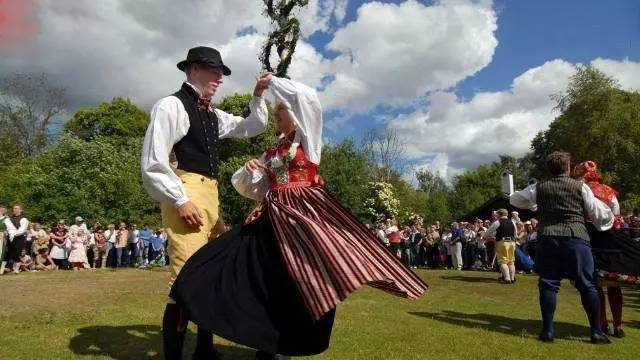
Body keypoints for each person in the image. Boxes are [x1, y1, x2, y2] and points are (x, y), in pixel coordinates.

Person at [170, 76, 427, 359]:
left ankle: (281, 343)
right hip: (271, 215)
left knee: (299, 280)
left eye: (281, 111)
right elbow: (253, 189)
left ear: (294, 113)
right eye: (277, 112)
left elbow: (308, 100)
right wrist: (250, 170)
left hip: (304, 217)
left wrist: (272, 83)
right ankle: (243, 331)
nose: (277, 117)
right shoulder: (273, 151)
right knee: (251, 273)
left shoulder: (309, 141)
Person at [140, 46, 271, 359]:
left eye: (221, 73)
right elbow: (154, 162)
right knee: (185, 278)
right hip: (186, 191)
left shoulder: (214, 115)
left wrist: (257, 94)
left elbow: (253, 126)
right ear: (193, 69)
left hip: (211, 196)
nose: (219, 79)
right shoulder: (171, 105)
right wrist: (180, 200)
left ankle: (203, 349)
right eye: (215, 71)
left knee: (212, 273)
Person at [510, 151, 614, 344]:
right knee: (586, 284)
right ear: (568, 167)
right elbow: (598, 212)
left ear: (549, 169)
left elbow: (515, 199)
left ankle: (548, 331)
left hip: (548, 238)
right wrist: (606, 224)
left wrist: (534, 204)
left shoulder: (539, 187)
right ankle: (596, 332)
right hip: (576, 238)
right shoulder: (580, 186)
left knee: (548, 283)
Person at [573, 160, 640, 338]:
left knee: (595, 284)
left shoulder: (579, 190)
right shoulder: (608, 191)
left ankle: (602, 323)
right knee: (614, 284)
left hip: (590, 238)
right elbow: (616, 214)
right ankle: (618, 325)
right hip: (611, 239)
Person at [483, 209, 517, 283]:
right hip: (512, 243)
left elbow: (488, 232)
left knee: (503, 262)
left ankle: (507, 278)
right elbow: (515, 234)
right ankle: (512, 278)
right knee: (511, 261)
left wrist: (484, 236)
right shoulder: (513, 222)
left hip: (502, 243)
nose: (496, 216)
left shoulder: (497, 222)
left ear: (500, 214)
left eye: (497, 214)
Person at [7, 204, 29, 274]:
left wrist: (13, 234)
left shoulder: (23, 219)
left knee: (17, 253)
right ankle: (11, 268)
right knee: (10, 253)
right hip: (9, 238)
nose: (15, 210)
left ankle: (16, 269)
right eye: (14, 208)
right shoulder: (9, 218)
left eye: (16, 208)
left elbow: (22, 230)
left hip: (19, 239)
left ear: (21, 210)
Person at [0, 206, 17, 275]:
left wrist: (8, 235)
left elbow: (12, 229)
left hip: (1, 238)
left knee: (1, 253)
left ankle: (1, 269)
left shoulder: (6, 219)